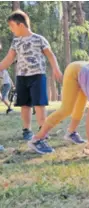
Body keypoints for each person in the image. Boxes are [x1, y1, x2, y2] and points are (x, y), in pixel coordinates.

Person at [0, 10, 63, 140]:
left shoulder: (39, 39)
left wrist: (56, 69)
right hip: (22, 77)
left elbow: (50, 55)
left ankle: (42, 130)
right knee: (24, 104)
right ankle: (27, 130)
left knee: (39, 104)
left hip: (37, 76)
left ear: (20, 25)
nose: (11, 30)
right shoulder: (16, 42)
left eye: (12, 26)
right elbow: (9, 59)